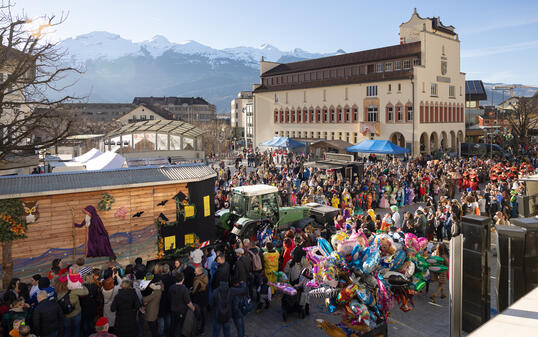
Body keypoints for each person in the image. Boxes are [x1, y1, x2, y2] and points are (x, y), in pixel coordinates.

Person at [168, 272, 195, 337]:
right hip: (182, 311)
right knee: (182, 326)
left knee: (173, 325)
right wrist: (193, 309)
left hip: (173, 310)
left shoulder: (171, 287)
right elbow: (188, 302)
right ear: (183, 279)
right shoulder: (184, 289)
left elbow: (169, 298)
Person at [191, 266, 208, 334]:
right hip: (204, 298)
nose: (194, 272)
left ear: (199, 272)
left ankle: (198, 329)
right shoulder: (205, 277)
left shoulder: (197, 281)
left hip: (198, 299)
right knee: (203, 315)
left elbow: (194, 292)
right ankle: (202, 328)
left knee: (198, 315)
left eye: (195, 271)